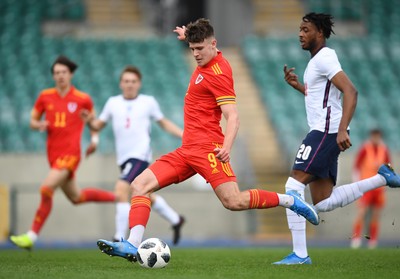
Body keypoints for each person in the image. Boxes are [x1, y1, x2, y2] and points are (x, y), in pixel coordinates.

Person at [95, 18, 320, 263]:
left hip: (208, 150)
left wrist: (226, 147)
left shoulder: (219, 72)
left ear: (213, 44)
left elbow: (233, 116)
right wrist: (188, 35)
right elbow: (197, 41)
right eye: (192, 49)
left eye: (200, 48)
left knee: (233, 201)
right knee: (139, 185)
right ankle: (131, 244)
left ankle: (289, 200)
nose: (195, 54)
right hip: (187, 150)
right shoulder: (204, 57)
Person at [274, 13, 400, 265]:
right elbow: (322, 97)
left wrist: (341, 130)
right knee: (323, 202)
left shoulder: (326, 57)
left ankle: (300, 255)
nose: (300, 33)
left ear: (319, 33)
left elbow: (350, 91)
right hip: (327, 130)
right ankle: (381, 177)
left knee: (293, 186)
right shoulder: (316, 62)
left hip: (325, 132)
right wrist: (299, 86)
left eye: (306, 29)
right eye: (299, 28)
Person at [10, 56, 117, 250]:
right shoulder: (45, 96)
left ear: (70, 74)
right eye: (57, 73)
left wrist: (94, 141)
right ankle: (118, 197)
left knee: (46, 188)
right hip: (53, 155)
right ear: (53, 75)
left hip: (71, 154)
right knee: (77, 197)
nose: (60, 76)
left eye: (63, 72)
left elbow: (93, 123)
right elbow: (32, 121)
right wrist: (39, 124)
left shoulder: (82, 99)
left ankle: (31, 236)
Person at [81, 65, 185, 245]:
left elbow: (164, 123)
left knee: (121, 189)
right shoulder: (113, 102)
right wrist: (89, 120)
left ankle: (119, 237)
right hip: (123, 158)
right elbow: (97, 126)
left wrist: (184, 135)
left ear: (139, 84)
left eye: (133, 81)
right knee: (143, 193)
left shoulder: (148, 102)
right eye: (126, 81)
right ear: (121, 84)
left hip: (140, 155)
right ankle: (176, 219)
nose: (130, 84)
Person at [351, 129, 391, 249]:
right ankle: (356, 238)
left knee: (375, 214)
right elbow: (357, 166)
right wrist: (357, 183)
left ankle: (373, 240)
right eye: (374, 136)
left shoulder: (384, 149)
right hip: (366, 186)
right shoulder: (365, 148)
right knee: (362, 213)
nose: (375, 138)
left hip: (379, 188)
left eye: (377, 136)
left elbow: (389, 167)